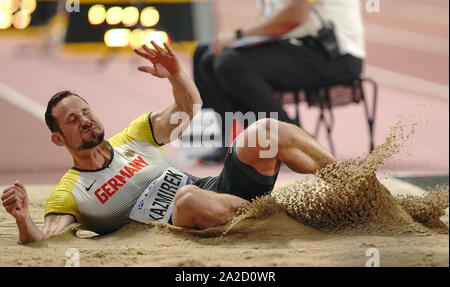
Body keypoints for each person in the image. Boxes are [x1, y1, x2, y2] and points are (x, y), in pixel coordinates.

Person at [1, 41, 335, 244]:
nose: (84, 121)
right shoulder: (69, 192)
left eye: (86, 112)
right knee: (187, 199)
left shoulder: (132, 136)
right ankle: (282, 220)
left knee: (264, 129)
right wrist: (22, 220)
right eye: (73, 121)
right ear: (58, 139)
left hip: (217, 188)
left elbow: (189, 110)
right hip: (189, 219)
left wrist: (176, 74)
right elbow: (48, 238)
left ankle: (349, 181)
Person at [194, 0, 365, 163]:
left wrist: (238, 35)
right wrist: (239, 40)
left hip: (334, 55)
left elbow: (294, 16)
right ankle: (233, 142)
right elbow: (268, 17)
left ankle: (295, 143)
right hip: (297, 45)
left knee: (230, 64)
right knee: (206, 55)